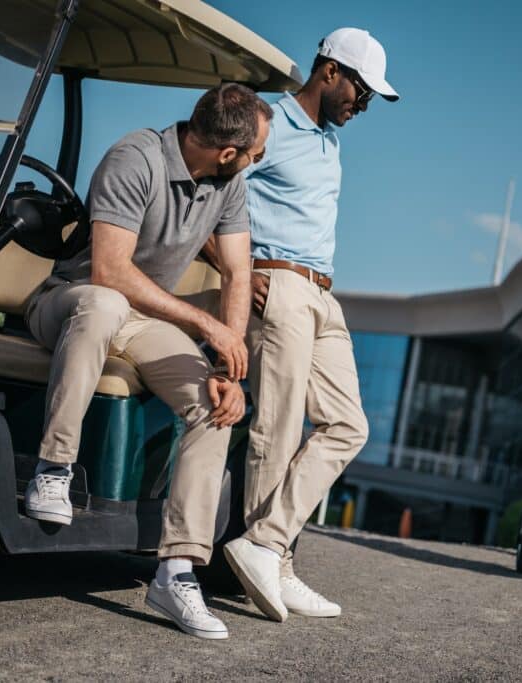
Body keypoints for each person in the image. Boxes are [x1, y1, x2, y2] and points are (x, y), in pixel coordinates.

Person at [22, 84, 272, 639]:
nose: (256, 163)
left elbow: (236, 273)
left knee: (215, 407)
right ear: (227, 152)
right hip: (71, 300)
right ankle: (53, 468)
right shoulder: (134, 158)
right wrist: (204, 325)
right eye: (255, 154)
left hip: (143, 323)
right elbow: (109, 271)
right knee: (106, 301)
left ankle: (176, 570)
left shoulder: (228, 188)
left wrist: (229, 370)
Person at [202, 28, 398, 622]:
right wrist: (235, 270)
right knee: (279, 431)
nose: (361, 107)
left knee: (348, 425)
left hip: (322, 293)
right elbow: (209, 196)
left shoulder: (329, 142)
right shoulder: (270, 124)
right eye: (361, 92)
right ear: (331, 70)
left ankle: (267, 546)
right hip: (277, 284)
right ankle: (274, 563)